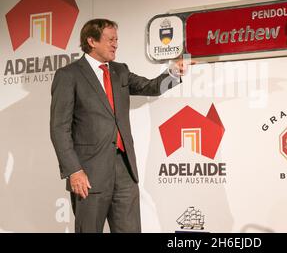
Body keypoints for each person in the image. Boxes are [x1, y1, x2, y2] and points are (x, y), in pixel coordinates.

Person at [50, 18, 189, 232]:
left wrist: (173, 73)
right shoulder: (69, 75)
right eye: (110, 39)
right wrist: (74, 170)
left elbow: (151, 87)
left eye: (117, 39)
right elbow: (59, 128)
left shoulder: (120, 70)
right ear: (91, 41)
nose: (115, 44)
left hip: (124, 170)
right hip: (89, 172)